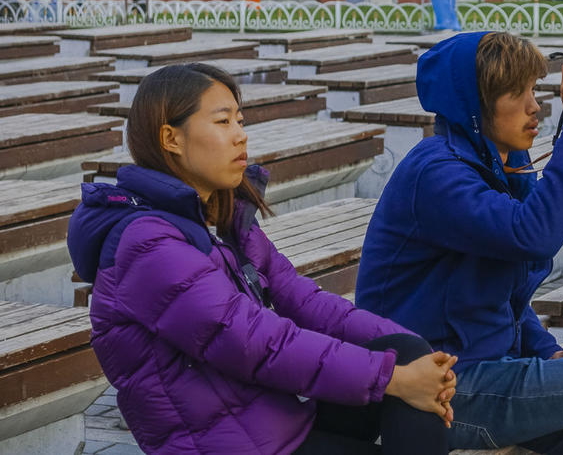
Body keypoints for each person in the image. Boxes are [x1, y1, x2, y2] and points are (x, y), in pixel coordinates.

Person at [66, 63, 457, 455]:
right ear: (171, 138)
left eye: (240, 121)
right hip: (226, 446)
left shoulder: (222, 220)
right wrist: (393, 379)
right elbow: (256, 343)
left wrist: (424, 361)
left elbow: (305, 301)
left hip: (275, 425)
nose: (240, 135)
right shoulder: (148, 245)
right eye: (223, 122)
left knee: (406, 351)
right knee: (400, 375)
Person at [356, 32, 563, 454]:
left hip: (487, 370)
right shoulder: (436, 173)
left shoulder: (502, 160)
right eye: (518, 94)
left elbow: (507, 292)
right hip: (435, 387)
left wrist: (547, 351)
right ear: (475, 105)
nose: (535, 106)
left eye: (534, 90)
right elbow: (534, 236)